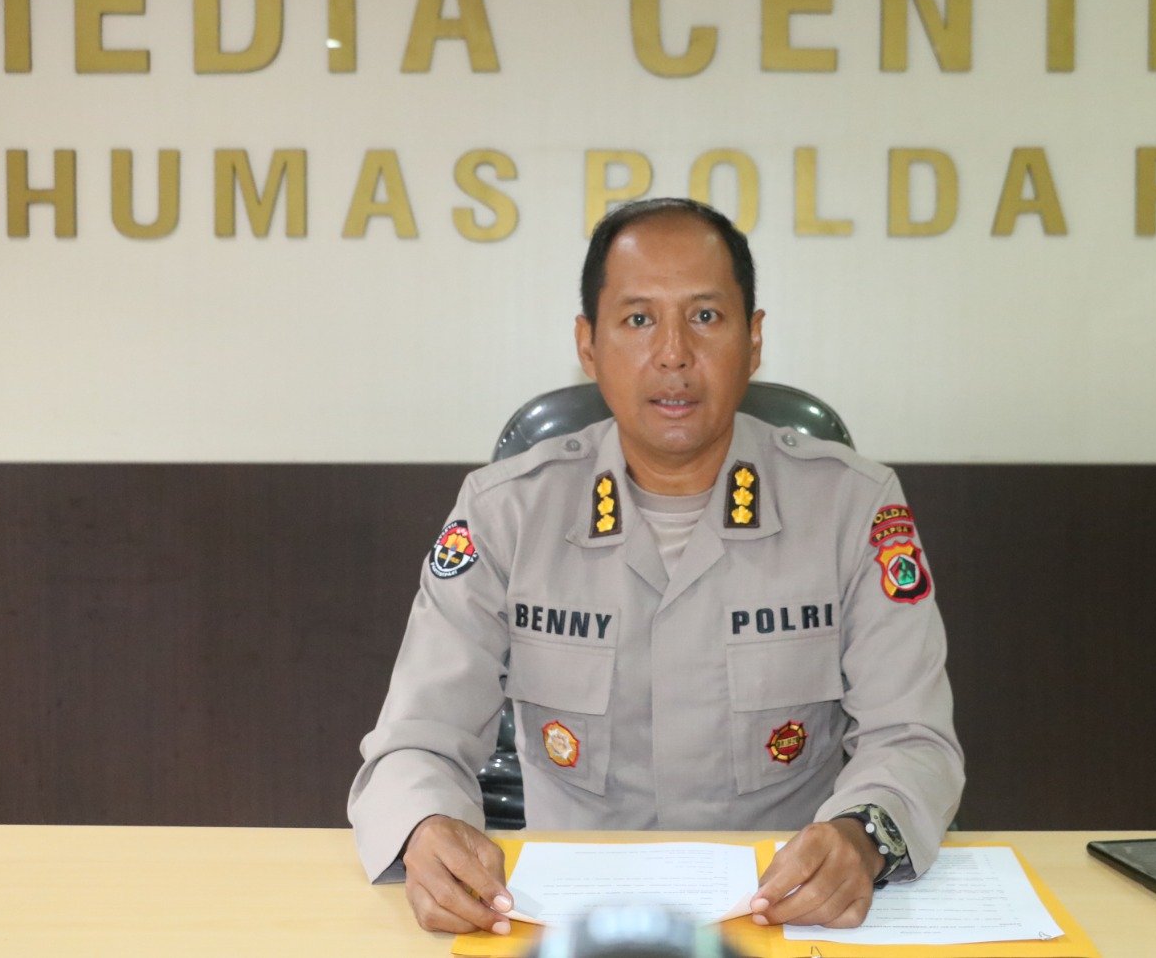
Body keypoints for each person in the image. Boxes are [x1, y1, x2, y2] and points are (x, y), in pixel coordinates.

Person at [348, 198, 963, 936]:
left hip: (786, 917)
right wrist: (427, 828)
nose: (673, 353)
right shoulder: (506, 511)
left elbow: (912, 737)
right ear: (588, 344)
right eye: (638, 319)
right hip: (564, 926)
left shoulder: (852, 506)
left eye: (705, 316)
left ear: (754, 339)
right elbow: (417, 738)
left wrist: (861, 837)